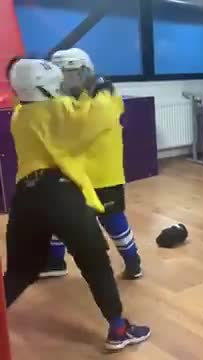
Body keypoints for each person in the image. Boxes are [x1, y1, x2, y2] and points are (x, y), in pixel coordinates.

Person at [5, 58, 150, 351]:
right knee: (95, 262)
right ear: (45, 89)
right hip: (61, 194)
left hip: (24, 198)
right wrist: (104, 88)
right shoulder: (59, 110)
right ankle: (119, 330)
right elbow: (101, 115)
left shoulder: (18, 116)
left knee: (20, 270)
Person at [36, 48, 143, 280]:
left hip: (103, 174)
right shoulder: (62, 99)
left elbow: (90, 120)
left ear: (83, 72)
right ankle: (55, 262)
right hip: (72, 172)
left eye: (66, 73)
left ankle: (133, 261)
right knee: (59, 216)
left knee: (112, 220)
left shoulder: (105, 98)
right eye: (58, 73)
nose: (60, 78)